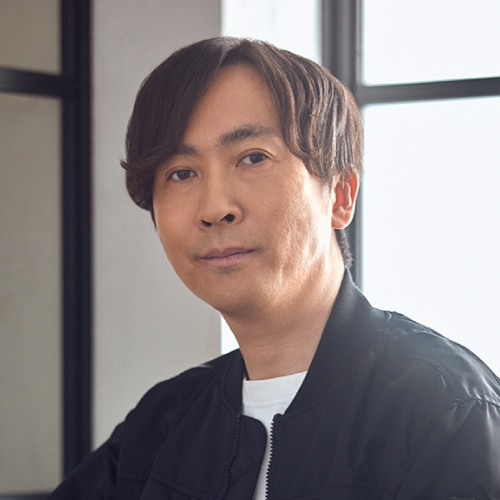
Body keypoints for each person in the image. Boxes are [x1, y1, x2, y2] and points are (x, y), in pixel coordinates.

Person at [48, 37, 500, 499]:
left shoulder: (446, 410)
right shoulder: (162, 423)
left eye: (252, 158)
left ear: (340, 195)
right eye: (181, 173)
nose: (215, 208)